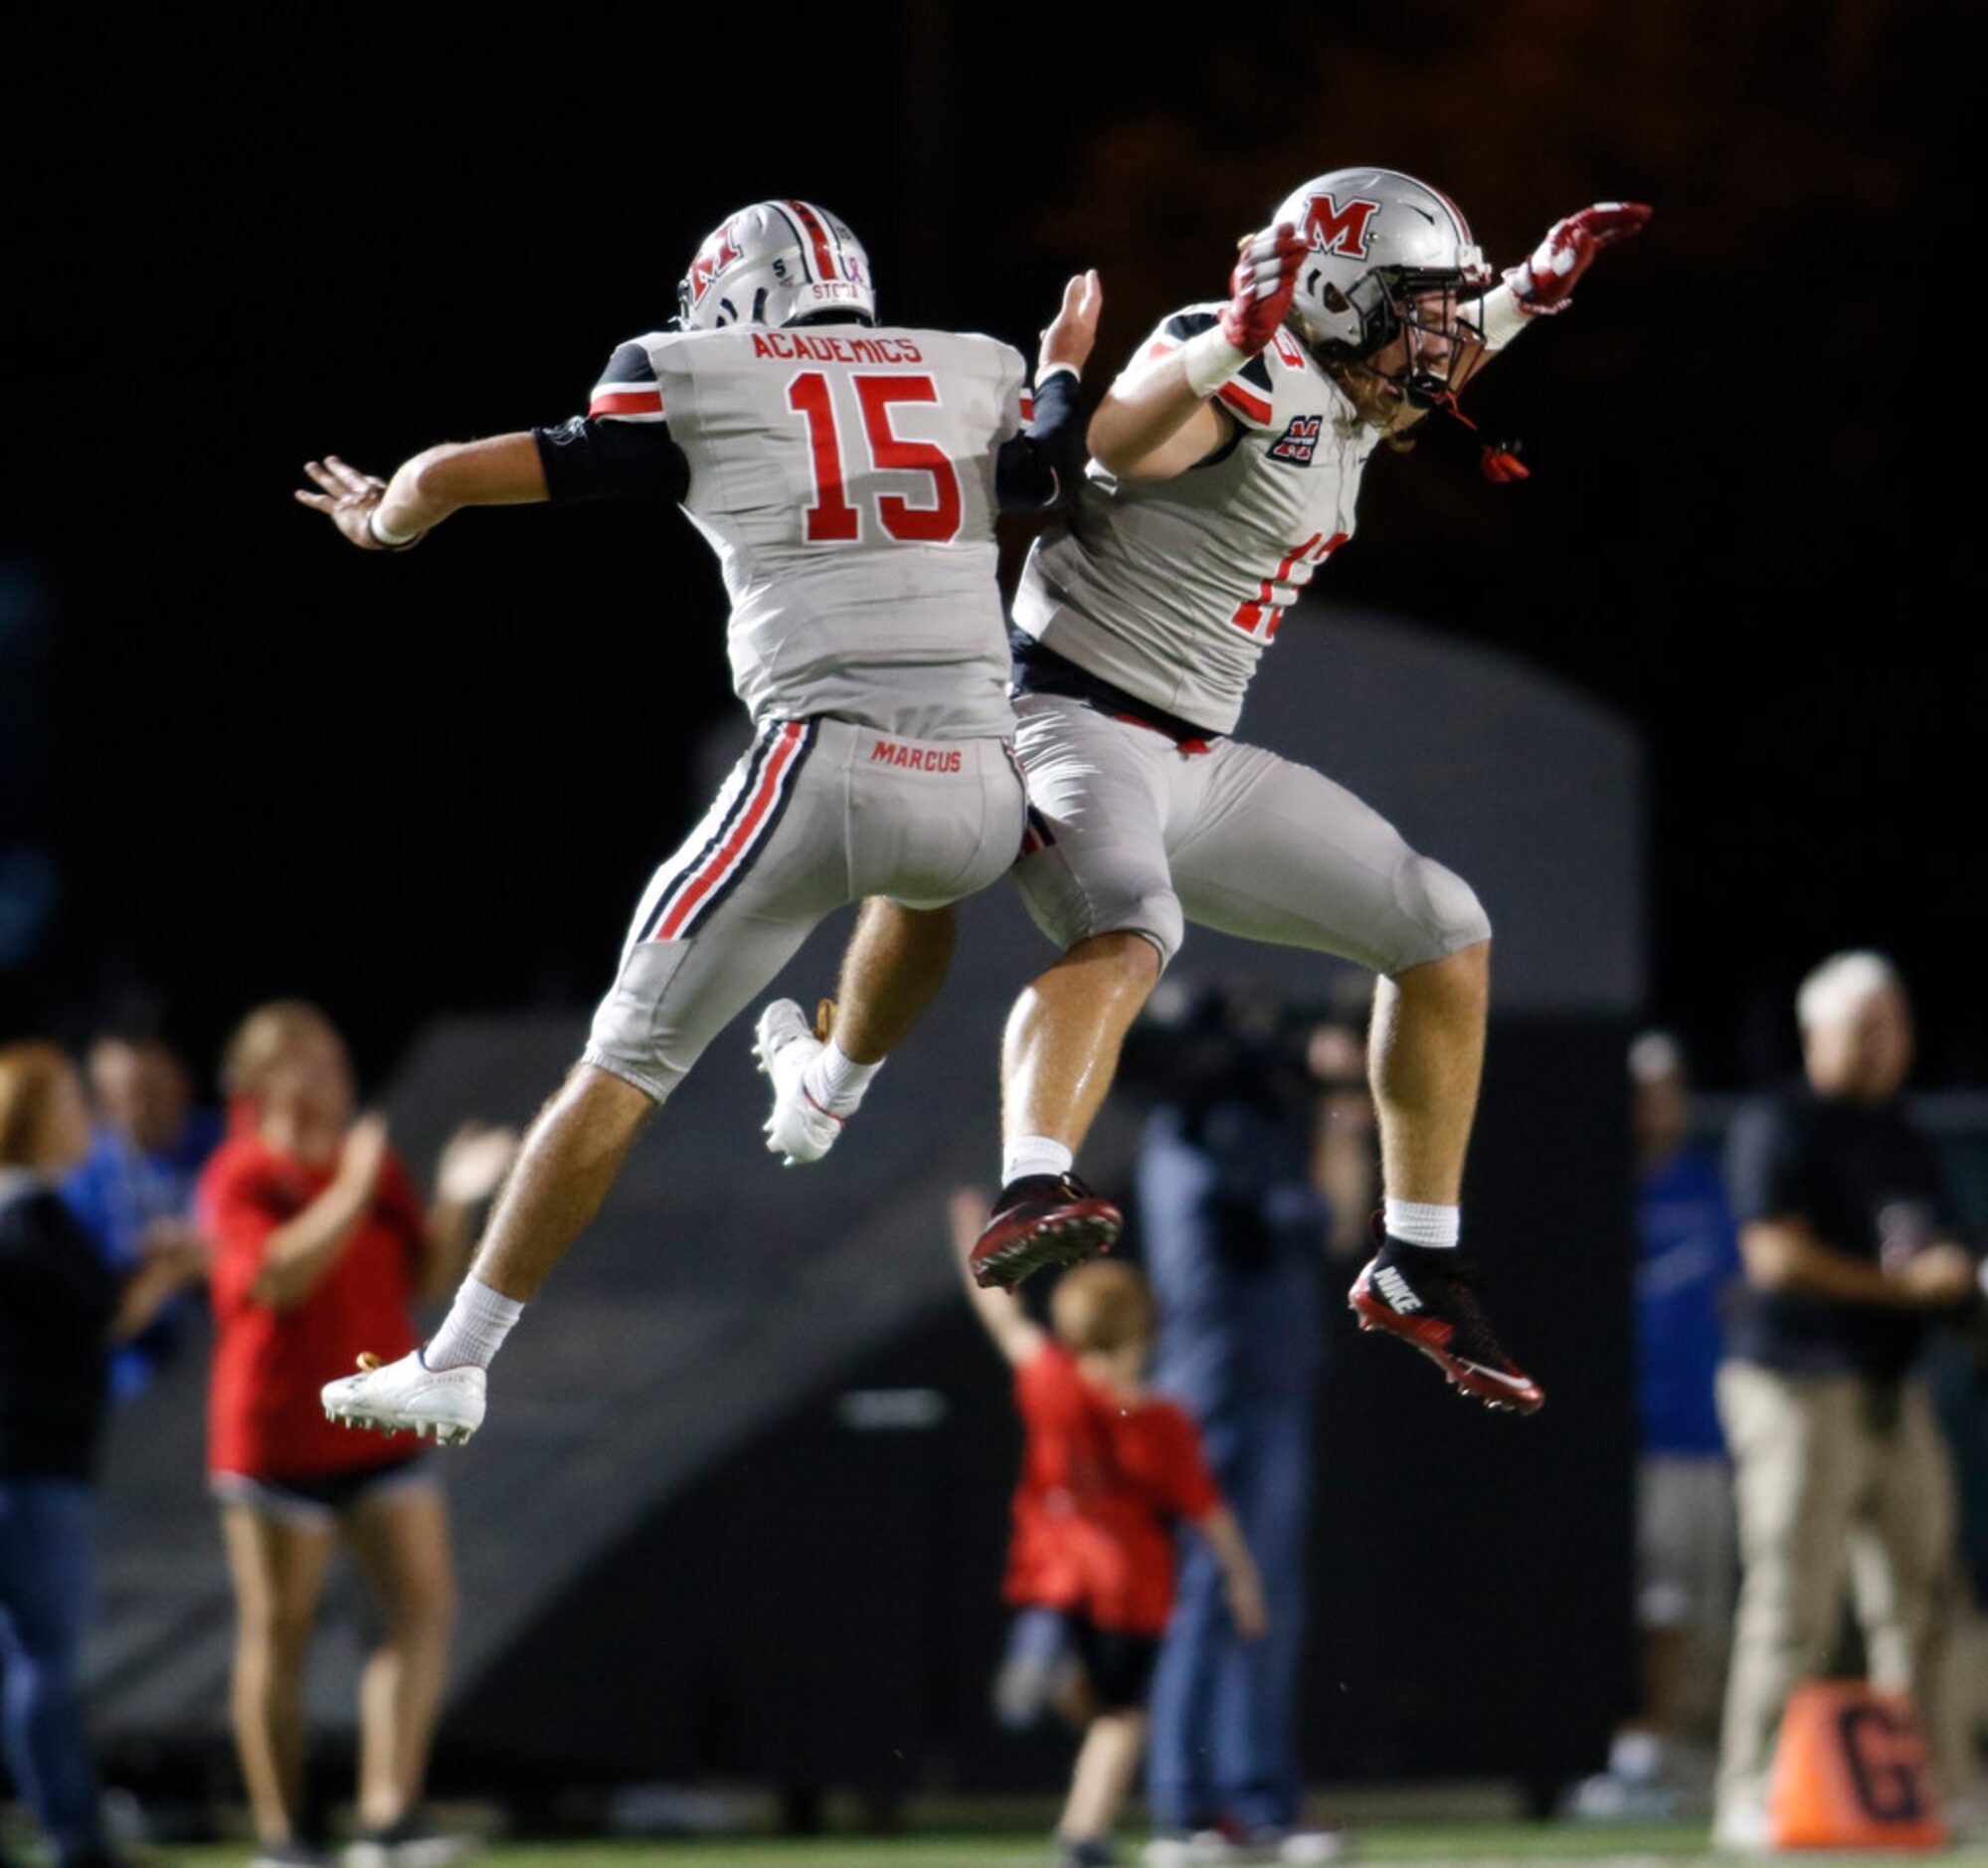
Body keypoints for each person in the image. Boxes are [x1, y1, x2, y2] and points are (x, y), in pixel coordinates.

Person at [763, 170, 1650, 1415]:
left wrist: (1525, 298)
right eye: (1427, 309)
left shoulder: (1350, 381)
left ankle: (1417, 1261)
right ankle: (1031, 1183)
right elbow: (1116, 442)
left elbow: (1392, 380)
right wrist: (1231, 334)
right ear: (1336, 297)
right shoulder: (1233, 351)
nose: (1445, 337)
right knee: (1131, 925)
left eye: (1452, 313)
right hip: (1064, 715)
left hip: (1194, 754)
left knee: (1443, 928)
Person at [303, 201, 1099, 1446]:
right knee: (926, 877)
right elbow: (1046, 472)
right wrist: (1060, 367)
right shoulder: (972, 363)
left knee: (620, 1066)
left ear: (734, 298)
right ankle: (831, 1088)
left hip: (819, 766)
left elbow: (448, 475)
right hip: (983, 792)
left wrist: (378, 520)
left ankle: (456, 1360)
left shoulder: (689, 368)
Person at [199, 1002, 513, 1867]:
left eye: (337, 1060)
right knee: (280, 1628)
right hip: (278, 1437)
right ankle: (285, 1837)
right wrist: (349, 1185)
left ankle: (386, 1817)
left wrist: (453, 1195)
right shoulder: (242, 1173)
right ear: (263, 1079)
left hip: (379, 1423)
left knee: (421, 1609)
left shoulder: (366, 1166)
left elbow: (428, 1274)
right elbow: (277, 1277)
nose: (334, 1078)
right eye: (310, 1062)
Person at [1712, 953, 1982, 1849]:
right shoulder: (1779, 1121)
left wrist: (1958, 1294)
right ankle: (1748, 1791)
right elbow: (1775, 1259)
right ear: (1816, 1033)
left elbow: (1945, 1261)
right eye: (1864, 1025)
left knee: (1926, 1600)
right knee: (1794, 1599)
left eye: (1893, 1024)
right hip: (1795, 1384)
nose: (1884, 1043)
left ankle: (1935, 1784)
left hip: (1886, 1388)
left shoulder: (1902, 1134)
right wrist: (1908, 1292)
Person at [948, 1191, 1266, 1868]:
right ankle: (1083, 1834)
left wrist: (973, 1246)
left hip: (1054, 1561)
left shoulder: (1050, 1380)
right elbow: (1205, 1508)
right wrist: (1241, 1580)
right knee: (1122, 1715)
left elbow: (1002, 1317)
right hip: (1128, 1580)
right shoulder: (1157, 1419)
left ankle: (1046, 1650)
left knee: (1093, 1697)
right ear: (1145, 1330)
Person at [1121, 989, 1364, 1862]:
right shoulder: (1213, 1128)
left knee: (1249, 1595)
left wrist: (1329, 1106)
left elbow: (1323, 1225)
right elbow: (1321, 1220)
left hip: (1245, 1381)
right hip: (1222, 1387)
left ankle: (1233, 1803)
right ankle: (1202, 1805)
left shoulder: (1204, 1128)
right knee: (1218, 1595)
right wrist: (1332, 1107)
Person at [0, 1042, 206, 1868]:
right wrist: (167, 1272)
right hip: (32, 1467)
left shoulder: (34, 1214)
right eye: (72, 1104)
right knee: (44, 1662)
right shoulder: (29, 1216)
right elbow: (93, 1321)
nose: (86, 1119)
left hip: (32, 1465)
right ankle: (73, 1833)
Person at [1566, 1031, 1739, 1820]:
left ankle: (1654, 1754)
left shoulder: (1709, 1189)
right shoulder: (1578, 1190)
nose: (1652, 1109)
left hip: (1688, 1432)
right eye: (1639, 1091)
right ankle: (1618, 1753)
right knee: (1620, 1601)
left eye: (1665, 1091)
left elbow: (1738, 1305)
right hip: (1595, 1434)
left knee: (1678, 1605)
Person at [63, 1027, 223, 1398]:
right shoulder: (85, 1189)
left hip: (237, 1339)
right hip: (150, 1385)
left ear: (181, 1077)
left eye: (156, 1084)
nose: (151, 1104)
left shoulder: (227, 1137)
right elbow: (90, 1313)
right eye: (132, 1094)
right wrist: (150, 1268)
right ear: (104, 1110)